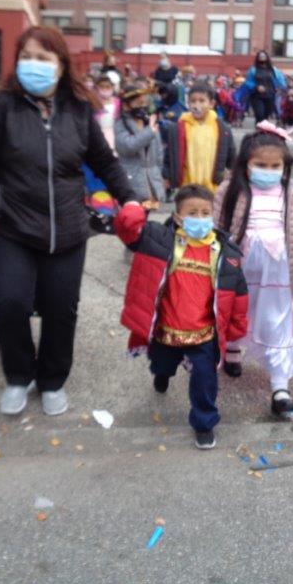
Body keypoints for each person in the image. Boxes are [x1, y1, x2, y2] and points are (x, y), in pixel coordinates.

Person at [0, 26, 137, 417]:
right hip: (10, 227)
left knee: (61, 308)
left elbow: (104, 161)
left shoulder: (78, 109)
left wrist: (130, 198)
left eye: (42, 58)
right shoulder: (1, 107)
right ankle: (19, 376)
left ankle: (52, 380)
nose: (33, 64)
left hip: (67, 229)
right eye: (26, 57)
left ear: (60, 65)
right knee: (9, 304)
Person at [115, 185, 249, 450]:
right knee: (162, 364)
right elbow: (128, 230)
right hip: (166, 329)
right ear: (177, 217)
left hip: (204, 333)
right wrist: (135, 208)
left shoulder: (226, 253)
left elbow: (239, 292)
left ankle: (204, 423)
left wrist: (237, 326)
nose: (200, 218)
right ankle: (162, 373)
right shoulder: (158, 240)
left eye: (205, 213)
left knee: (205, 379)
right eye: (192, 213)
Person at [215, 124, 293, 416]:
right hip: (239, 270)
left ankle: (280, 386)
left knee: (277, 321)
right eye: (260, 165)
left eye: (274, 166)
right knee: (238, 309)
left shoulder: (292, 193)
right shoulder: (230, 190)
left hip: (278, 276)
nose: (268, 171)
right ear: (245, 164)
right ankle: (232, 349)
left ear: (284, 166)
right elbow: (216, 227)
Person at [160, 82, 235, 194]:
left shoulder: (222, 129)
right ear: (188, 103)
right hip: (186, 186)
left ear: (211, 103)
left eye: (202, 101)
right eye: (193, 101)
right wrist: (166, 176)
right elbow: (169, 156)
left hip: (213, 187)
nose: (196, 105)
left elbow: (231, 154)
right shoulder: (178, 128)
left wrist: (233, 175)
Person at [114, 84, 165, 209]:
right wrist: (149, 132)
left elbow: (159, 153)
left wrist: (159, 175)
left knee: (147, 217)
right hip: (132, 181)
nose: (143, 106)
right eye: (138, 102)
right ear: (126, 105)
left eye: (144, 102)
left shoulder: (148, 121)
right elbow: (127, 147)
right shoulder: (121, 123)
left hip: (151, 183)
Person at [241, 50, 286, 124]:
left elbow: (281, 80)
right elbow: (248, 82)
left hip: (270, 95)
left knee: (266, 115)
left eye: (263, 56)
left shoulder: (273, 70)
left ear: (267, 58)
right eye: (260, 56)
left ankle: (263, 128)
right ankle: (259, 127)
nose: (262, 57)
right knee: (259, 114)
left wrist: (280, 87)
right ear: (257, 58)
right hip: (256, 96)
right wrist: (256, 87)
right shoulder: (253, 70)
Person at [93, 74, 120, 151]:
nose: (104, 89)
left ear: (112, 87)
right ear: (97, 88)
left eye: (108, 87)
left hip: (113, 134)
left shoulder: (117, 102)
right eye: (102, 87)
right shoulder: (94, 102)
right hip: (97, 134)